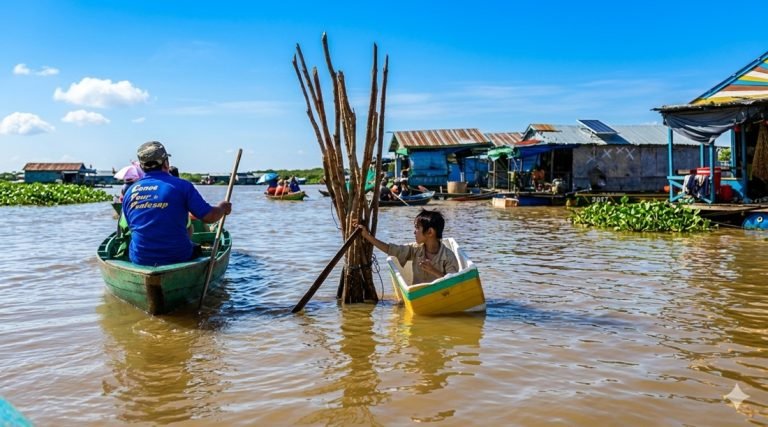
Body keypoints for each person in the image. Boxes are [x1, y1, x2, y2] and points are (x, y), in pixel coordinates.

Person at [122, 141, 232, 266]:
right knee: (196, 248)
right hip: (178, 256)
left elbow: (130, 225)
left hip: (140, 258)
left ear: (141, 167)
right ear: (166, 163)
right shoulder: (182, 186)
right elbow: (209, 217)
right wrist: (222, 208)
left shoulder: (130, 191)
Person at [357, 209, 459, 284]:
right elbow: (390, 249)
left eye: (417, 228)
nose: (414, 232)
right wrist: (367, 236)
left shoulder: (448, 257)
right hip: (418, 295)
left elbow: (455, 283)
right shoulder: (414, 249)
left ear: (430, 232)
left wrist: (433, 271)